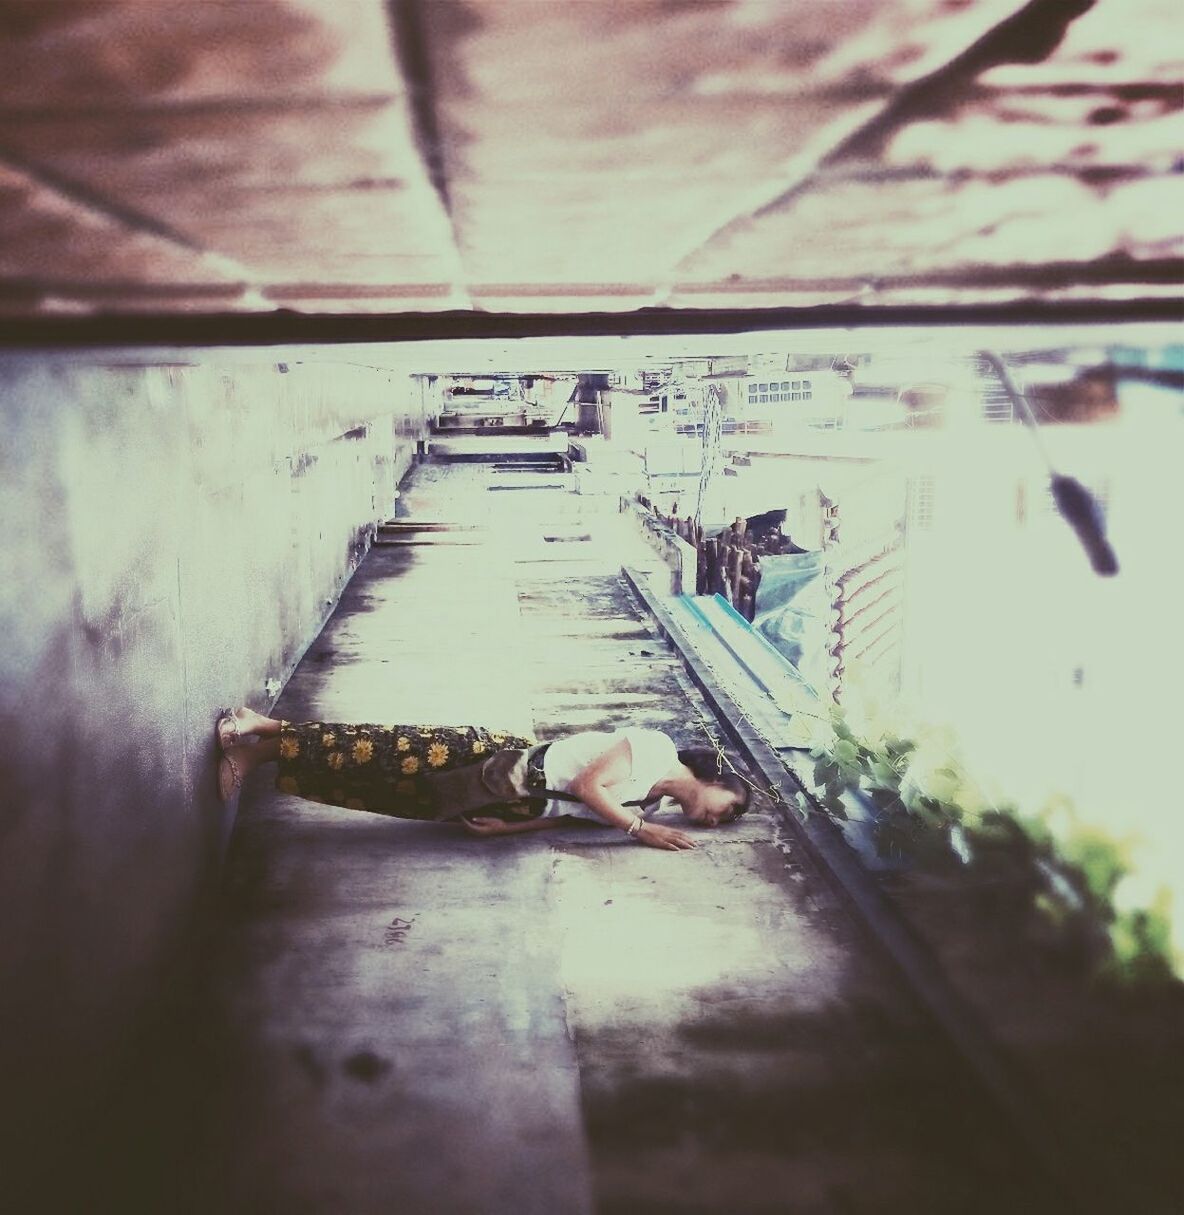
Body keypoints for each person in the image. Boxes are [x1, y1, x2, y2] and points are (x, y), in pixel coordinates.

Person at [215, 707, 750, 852]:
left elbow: (567, 817)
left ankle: (262, 757)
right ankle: (261, 727)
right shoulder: (654, 749)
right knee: (373, 748)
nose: (718, 818)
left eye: (723, 822)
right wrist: (637, 833)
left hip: (513, 803)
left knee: (384, 790)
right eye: (730, 806)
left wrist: (505, 832)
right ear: (716, 777)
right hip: (494, 761)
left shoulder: (649, 808)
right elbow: (588, 786)